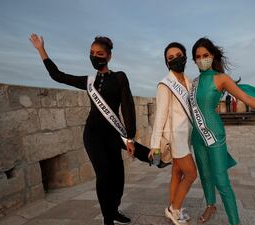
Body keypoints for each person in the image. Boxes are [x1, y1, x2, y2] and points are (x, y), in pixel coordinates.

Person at [30, 33, 142, 225]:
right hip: (93, 135)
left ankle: (114, 210)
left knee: (118, 176)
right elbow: (58, 76)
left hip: (113, 135)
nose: (94, 56)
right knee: (104, 174)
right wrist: (41, 50)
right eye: (91, 53)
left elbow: (128, 107)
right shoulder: (88, 81)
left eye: (99, 53)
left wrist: (130, 137)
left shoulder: (120, 77)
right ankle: (107, 218)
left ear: (108, 56)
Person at [190, 37, 255, 225]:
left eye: (205, 55)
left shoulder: (221, 78)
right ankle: (210, 206)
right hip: (197, 136)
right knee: (205, 175)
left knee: (221, 181)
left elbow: (246, 98)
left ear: (212, 55)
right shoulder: (194, 82)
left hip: (214, 134)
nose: (201, 59)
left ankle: (234, 221)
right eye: (197, 57)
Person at [149, 42, 197, 225]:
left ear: (184, 57)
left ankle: (172, 206)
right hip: (176, 137)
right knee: (191, 174)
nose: (175, 59)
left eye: (178, 55)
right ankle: (174, 209)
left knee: (177, 173)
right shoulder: (165, 84)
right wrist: (155, 144)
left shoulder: (190, 82)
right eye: (170, 58)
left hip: (187, 136)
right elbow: (160, 115)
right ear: (166, 62)